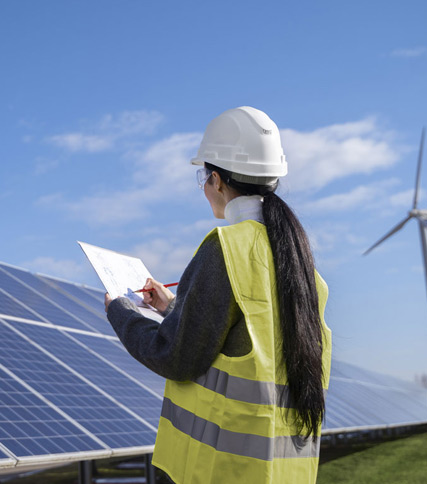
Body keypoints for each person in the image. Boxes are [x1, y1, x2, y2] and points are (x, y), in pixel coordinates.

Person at [104, 106, 332, 484]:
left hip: (216, 472)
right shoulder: (302, 269)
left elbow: (174, 355)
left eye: (203, 178)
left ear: (217, 180)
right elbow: (248, 339)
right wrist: (174, 306)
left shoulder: (225, 248)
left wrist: (121, 311)